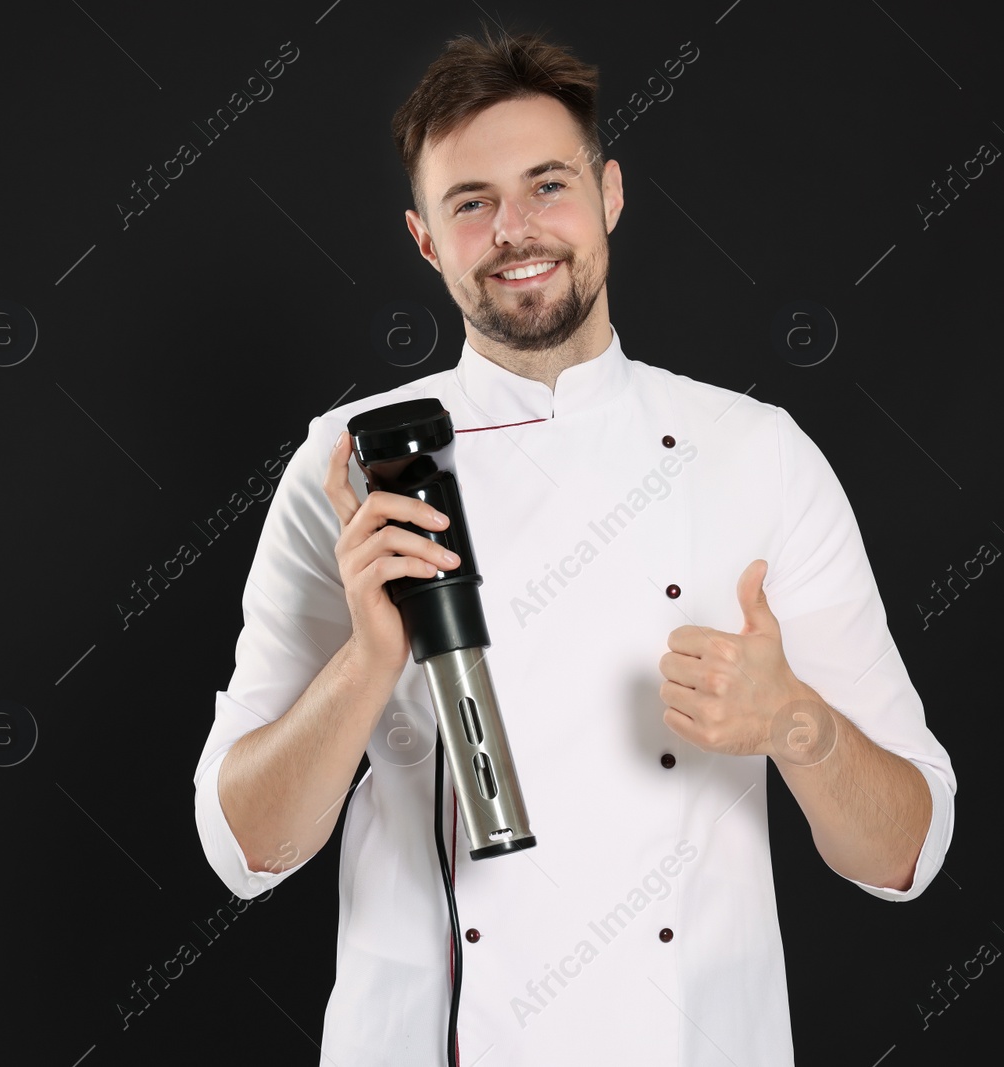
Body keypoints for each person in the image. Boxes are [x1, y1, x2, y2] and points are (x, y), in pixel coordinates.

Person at [192, 28, 955, 1065]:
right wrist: (369, 659)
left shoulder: (756, 452)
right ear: (425, 239)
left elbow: (906, 849)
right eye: (470, 202)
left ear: (608, 194)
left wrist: (797, 722)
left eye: (545, 184)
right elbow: (246, 850)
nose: (514, 228)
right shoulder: (351, 466)